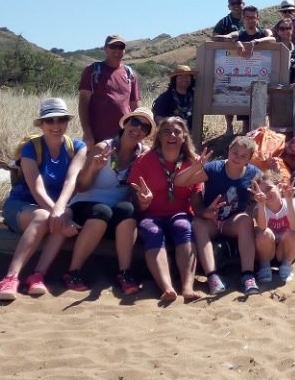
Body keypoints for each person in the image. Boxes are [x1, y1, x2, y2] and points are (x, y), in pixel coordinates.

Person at [0, 98, 87, 301]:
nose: (56, 125)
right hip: (22, 206)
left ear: (67, 122)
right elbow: (35, 187)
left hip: (53, 207)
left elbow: (70, 182)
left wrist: (60, 211)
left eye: (61, 120)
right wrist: (57, 214)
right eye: (50, 121)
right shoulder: (31, 148)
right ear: (41, 124)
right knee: (42, 216)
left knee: (65, 213)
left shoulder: (77, 147)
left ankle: (38, 275)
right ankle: (10, 277)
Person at [64, 108, 153, 294]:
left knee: (127, 209)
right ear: (125, 123)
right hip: (87, 204)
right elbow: (81, 186)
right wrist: (94, 168)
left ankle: (125, 273)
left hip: (113, 213)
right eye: (135, 122)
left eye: (144, 127)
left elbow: (138, 192)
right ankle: (73, 272)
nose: (138, 128)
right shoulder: (103, 147)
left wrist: (144, 199)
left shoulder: (143, 155)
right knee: (102, 211)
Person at [128, 116, 203, 301]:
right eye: (166, 131)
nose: (172, 135)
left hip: (180, 213)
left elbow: (196, 198)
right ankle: (167, 287)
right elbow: (134, 197)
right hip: (151, 214)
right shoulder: (144, 160)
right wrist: (143, 201)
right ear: (159, 137)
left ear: (184, 136)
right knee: (152, 231)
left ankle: (187, 287)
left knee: (184, 227)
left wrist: (204, 211)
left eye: (177, 131)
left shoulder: (193, 162)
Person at [175, 137, 262, 295]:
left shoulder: (253, 174)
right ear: (228, 150)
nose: (237, 158)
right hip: (211, 220)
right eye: (235, 152)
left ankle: (247, 275)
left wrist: (265, 192)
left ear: (249, 159)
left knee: (245, 220)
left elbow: (270, 188)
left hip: (232, 222)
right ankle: (212, 276)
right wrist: (195, 168)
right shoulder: (214, 168)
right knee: (198, 223)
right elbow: (179, 182)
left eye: (243, 156)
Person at [78, 34, 140, 147]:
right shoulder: (92, 71)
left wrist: (139, 133)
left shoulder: (130, 74)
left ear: (124, 50)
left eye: (120, 47)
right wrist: (87, 133)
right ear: (105, 49)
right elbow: (83, 103)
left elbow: (135, 106)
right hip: (98, 138)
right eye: (113, 46)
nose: (117, 50)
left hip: (124, 136)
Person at [253, 171, 295, 284]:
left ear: (279, 187)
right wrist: (261, 204)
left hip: (285, 251)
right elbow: (262, 226)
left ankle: (286, 266)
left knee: (294, 233)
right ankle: (264, 267)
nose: (266, 194)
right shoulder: (258, 208)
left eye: (269, 188)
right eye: (261, 191)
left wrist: (289, 200)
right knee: (264, 233)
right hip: (266, 251)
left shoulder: (291, 203)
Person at [152, 65, 196, 131]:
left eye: (187, 76)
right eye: (181, 76)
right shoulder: (165, 98)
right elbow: (158, 120)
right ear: (175, 79)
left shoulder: (196, 96)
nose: (184, 79)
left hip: (191, 136)